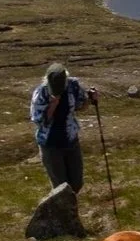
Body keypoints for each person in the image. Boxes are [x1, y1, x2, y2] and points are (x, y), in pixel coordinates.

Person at [30, 63, 97, 193]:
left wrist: (91, 99)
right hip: (50, 145)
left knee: (76, 183)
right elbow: (39, 120)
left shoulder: (73, 86)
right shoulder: (41, 93)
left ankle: (69, 208)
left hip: (71, 140)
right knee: (61, 187)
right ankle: (62, 210)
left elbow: (80, 106)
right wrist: (54, 103)